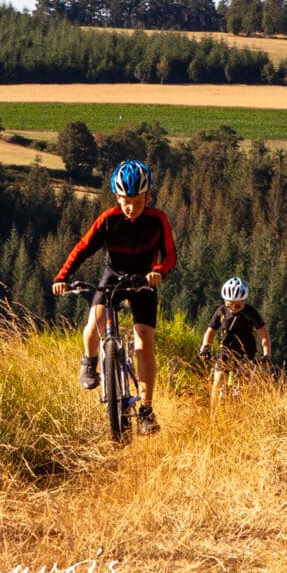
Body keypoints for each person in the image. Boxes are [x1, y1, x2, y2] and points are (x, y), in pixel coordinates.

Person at [51, 159, 177, 435]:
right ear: (117, 197)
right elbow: (82, 248)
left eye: (138, 201)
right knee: (95, 323)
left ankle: (145, 410)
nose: (131, 207)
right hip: (114, 275)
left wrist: (157, 271)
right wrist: (62, 277)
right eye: (125, 201)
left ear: (148, 197)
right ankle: (89, 361)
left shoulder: (158, 221)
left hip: (144, 280)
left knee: (144, 341)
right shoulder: (108, 220)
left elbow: (170, 255)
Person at [199, 277, 270, 390]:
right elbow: (210, 331)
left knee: (246, 384)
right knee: (217, 382)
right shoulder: (221, 311)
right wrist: (205, 349)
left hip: (247, 351)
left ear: (244, 301)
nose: (233, 309)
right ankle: (214, 408)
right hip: (226, 350)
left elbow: (263, 334)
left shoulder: (250, 312)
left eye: (237, 306)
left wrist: (267, 355)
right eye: (229, 305)